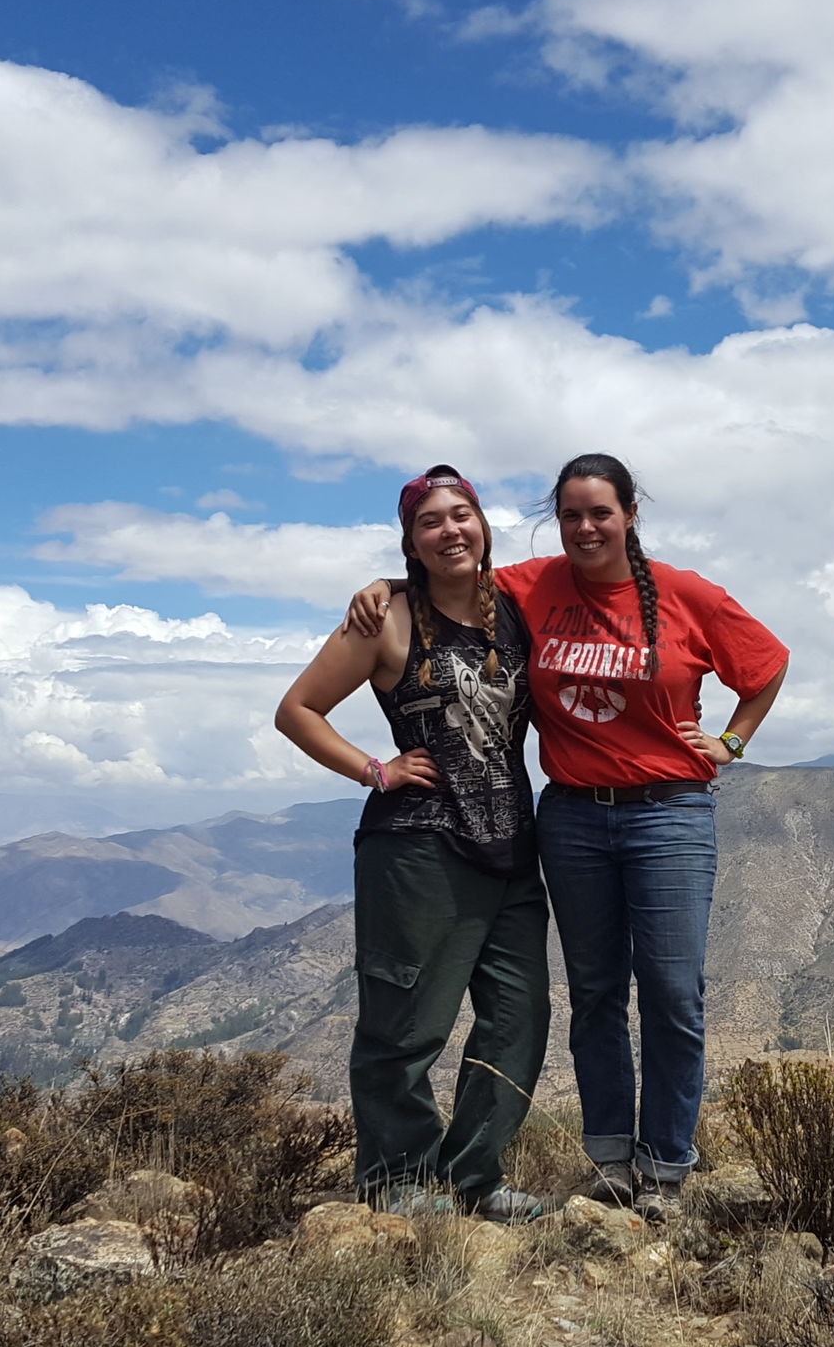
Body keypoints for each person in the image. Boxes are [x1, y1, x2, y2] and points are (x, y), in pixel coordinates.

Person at [347, 453, 788, 1220]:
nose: (586, 528)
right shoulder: (533, 583)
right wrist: (385, 586)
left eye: (601, 513)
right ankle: (613, 1160)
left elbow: (767, 663)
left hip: (669, 814)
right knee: (593, 995)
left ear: (629, 516)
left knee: (673, 995)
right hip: (574, 817)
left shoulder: (685, 594)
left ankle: (667, 1166)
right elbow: (452, 572)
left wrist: (733, 740)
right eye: (571, 515)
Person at [275, 465, 549, 1222]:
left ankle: (475, 1179)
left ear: (484, 525)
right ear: (411, 542)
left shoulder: (517, 608)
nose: (450, 530)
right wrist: (375, 769)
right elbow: (297, 710)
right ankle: (396, 1183)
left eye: (462, 514)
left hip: (512, 845)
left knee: (520, 1017)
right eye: (431, 521)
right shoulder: (386, 619)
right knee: (406, 1021)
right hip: (419, 848)